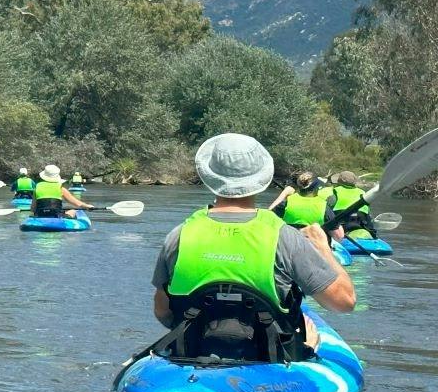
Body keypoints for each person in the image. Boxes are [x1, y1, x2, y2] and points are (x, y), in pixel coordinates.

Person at [151, 134, 355, 362]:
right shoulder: (284, 237)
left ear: (209, 177)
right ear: (262, 178)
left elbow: (162, 310)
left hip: (191, 354)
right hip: (271, 358)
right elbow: (344, 302)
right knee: (310, 334)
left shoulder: (178, 236)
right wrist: (323, 248)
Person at [268, 170, 337, 235]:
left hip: (290, 238)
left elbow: (270, 213)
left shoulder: (287, 202)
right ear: (316, 188)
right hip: (312, 241)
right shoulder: (323, 206)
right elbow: (337, 235)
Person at [324, 170, 378, 239]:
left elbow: (326, 211)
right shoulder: (362, 193)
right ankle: (373, 237)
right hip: (361, 222)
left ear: (339, 181)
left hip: (341, 225)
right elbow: (368, 213)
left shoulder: (334, 191)